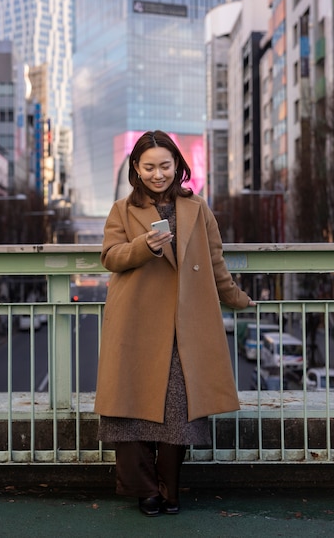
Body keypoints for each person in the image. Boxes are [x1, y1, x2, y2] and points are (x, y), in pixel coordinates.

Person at [94, 130, 255, 517]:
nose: (158, 173)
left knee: (178, 412)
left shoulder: (197, 208)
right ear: (136, 168)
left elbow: (215, 262)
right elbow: (110, 257)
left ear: (178, 166)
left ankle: (169, 489)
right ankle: (144, 489)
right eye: (148, 166)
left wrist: (238, 299)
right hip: (135, 321)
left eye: (165, 165)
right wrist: (142, 247)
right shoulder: (122, 209)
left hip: (184, 325)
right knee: (126, 410)